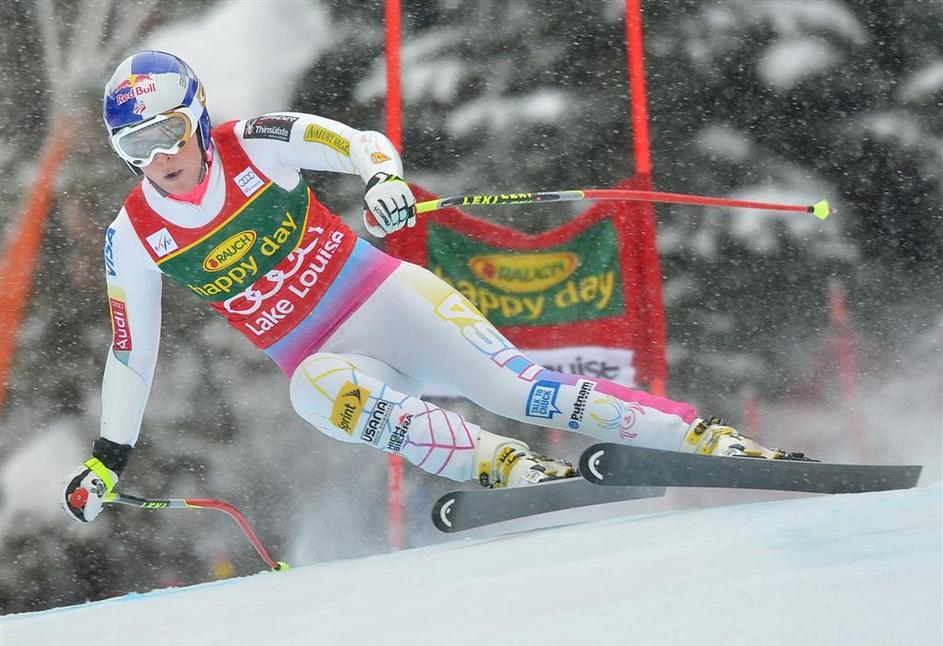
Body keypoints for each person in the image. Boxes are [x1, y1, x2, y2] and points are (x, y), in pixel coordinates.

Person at [62, 51, 792, 524]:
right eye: (137, 146)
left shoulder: (252, 142)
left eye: (168, 133)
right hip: (332, 359)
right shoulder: (133, 235)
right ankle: (503, 465)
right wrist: (108, 458)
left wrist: (381, 181)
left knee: (513, 389)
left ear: (195, 116)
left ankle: (702, 438)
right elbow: (132, 353)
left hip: (388, 303)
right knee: (312, 392)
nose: (159, 157)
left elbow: (359, 144)